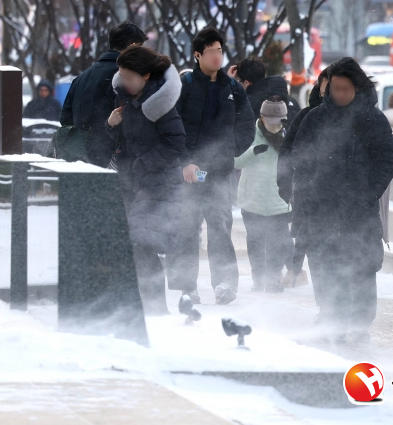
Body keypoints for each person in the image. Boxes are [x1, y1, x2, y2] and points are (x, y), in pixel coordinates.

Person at [291, 57, 393, 343]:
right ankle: (331, 319)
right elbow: (300, 160)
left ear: (357, 88)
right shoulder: (315, 118)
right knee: (324, 265)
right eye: (335, 88)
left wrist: (368, 192)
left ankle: (360, 323)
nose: (339, 94)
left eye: (345, 89)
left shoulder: (372, 119)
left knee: (361, 266)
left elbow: (387, 159)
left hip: (358, 209)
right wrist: (305, 193)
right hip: (321, 208)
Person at [169, 28, 256, 305]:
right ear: (197, 55)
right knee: (187, 228)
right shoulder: (185, 86)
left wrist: (230, 154)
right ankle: (187, 287)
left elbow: (246, 126)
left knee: (220, 225)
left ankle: (224, 283)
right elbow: (172, 126)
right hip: (190, 172)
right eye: (211, 51)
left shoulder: (232, 89)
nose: (217, 56)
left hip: (219, 172)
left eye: (220, 50)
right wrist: (185, 161)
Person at [106, 46, 185, 315]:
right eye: (122, 76)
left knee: (141, 244)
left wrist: (141, 165)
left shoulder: (158, 104)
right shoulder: (128, 102)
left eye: (130, 77)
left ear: (146, 76)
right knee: (130, 245)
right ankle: (139, 308)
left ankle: (155, 311)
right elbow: (125, 144)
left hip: (160, 185)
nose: (125, 82)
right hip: (135, 184)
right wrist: (111, 125)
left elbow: (175, 144)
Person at [61, 21, 147, 167]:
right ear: (132, 46)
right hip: (113, 159)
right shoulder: (126, 78)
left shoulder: (82, 77)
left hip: (77, 158)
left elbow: (65, 118)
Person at [276, 67, 330, 288]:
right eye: (328, 85)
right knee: (309, 242)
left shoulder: (359, 117)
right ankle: (322, 300)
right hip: (308, 193)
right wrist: (285, 185)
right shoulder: (306, 116)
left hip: (343, 197)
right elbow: (287, 153)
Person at [235, 97, 292, 294]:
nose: (275, 126)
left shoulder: (289, 135)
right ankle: (258, 279)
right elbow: (235, 162)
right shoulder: (249, 133)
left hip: (280, 202)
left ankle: (273, 280)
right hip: (252, 201)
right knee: (256, 243)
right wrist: (252, 152)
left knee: (279, 244)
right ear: (261, 117)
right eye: (271, 121)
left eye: (279, 121)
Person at [232, 57, 299, 124]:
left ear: (247, 83)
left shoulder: (247, 105)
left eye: (238, 81)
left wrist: (228, 83)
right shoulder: (291, 101)